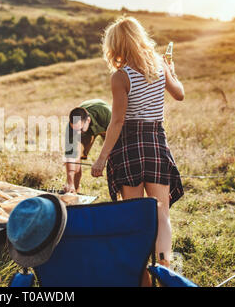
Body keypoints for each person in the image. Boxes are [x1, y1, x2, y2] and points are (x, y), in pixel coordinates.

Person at [91, 17, 185, 276]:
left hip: (128, 147)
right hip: (155, 141)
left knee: (134, 216)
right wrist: (171, 71)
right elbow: (180, 94)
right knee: (161, 214)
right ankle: (165, 270)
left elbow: (118, 121)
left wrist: (101, 159)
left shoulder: (121, 77)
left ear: (116, 45)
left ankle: (140, 272)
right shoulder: (159, 67)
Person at [64, 99, 111, 193]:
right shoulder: (71, 129)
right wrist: (70, 181)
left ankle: (117, 193)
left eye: (80, 129)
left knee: (114, 155)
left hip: (107, 125)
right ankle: (74, 191)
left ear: (88, 120)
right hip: (88, 129)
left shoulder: (106, 113)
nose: (77, 132)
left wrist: (101, 161)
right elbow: (72, 158)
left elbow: (116, 137)